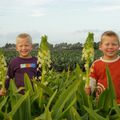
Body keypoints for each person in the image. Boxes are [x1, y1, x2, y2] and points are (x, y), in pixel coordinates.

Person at [85, 31, 120, 103]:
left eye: (114, 44)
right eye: (107, 44)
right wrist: (89, 89)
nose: (110, 47)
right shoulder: (96, 64)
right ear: (100, 47)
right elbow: (92, 80)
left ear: (119, 46)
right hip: (101, 103)